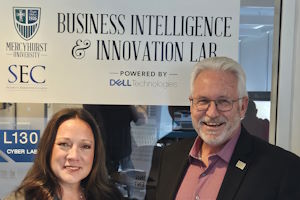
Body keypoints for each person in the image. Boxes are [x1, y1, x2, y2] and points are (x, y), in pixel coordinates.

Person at [146, 57, 300, 200]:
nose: (212, 113)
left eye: (224, 101)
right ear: (192, 104)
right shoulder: (170, 156)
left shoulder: (283, 169)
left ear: (243, 107)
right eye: (203, 100)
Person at [4, 108, 123, 200]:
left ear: (95, 154)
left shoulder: (110, 197)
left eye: (85, 146)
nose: (74, 156)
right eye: (64, 144)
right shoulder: (24, 198)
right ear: (49, 148)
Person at [83, 105, 146, 174]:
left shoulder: (124, 102)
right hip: (105, 154)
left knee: (128, 181)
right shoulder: (93, 101)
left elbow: (141, 121)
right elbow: (141, 120)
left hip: (119, 154)